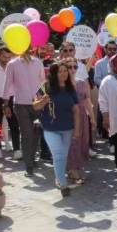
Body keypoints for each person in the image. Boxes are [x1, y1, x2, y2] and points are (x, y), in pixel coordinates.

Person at [34, 61, 81, 197]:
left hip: (67, 128)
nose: (63, 74)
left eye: (65, 71)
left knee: (63, 156)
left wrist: (77, 130)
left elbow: (76, 111)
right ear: (54, 74)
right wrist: (43, 100)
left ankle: (58, 177)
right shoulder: (45, 87)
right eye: (60, 71)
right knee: (58, 155)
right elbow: (35, 106)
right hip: (50, 128)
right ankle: (63, 184)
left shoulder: (70, 89)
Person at [4, 49, 46, 177]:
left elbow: (43, 83)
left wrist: (44, 99)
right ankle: (28, 165)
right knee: (26, 134)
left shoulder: (38, 63)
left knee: (36, 133)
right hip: (21, 105)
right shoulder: (12, 64)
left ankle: (32, 158)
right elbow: (7, 85)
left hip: (37, 104)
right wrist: (5, 104)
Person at [63, 57, 91, 185]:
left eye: (75, 66)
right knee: (72, 142)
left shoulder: (80, 82)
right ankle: (72, 170)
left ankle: (75, 167)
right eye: (70, 67)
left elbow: (86, 100)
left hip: (82, 115)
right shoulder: (61, 84)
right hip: (68, 115)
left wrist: (93, 117)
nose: (73, 69)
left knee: (81, 142)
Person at [94, 40, 117, 139]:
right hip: (104, 93)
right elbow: (96, 79)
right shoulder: (99, 63)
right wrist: (106, 85)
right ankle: (104, 133)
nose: (112, 51)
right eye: (110, 49)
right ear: (105, 49)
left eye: (114, 49)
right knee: (103, 112)